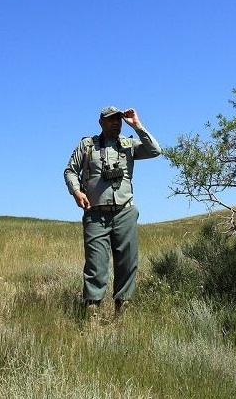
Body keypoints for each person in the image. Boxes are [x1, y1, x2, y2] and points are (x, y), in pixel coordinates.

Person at [64, 106, 161, 320]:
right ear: (101, 122)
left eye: (118, 119)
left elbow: (155, 150)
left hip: (125, 213)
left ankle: (122, 314)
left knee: (127, 263)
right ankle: (92, 313)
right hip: (96, 214)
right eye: (110, 120)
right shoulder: (88, 145)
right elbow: (70, 170)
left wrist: (137, 126)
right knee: (96, 264)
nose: (115, 123)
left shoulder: (129, 145)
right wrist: (76, 191)